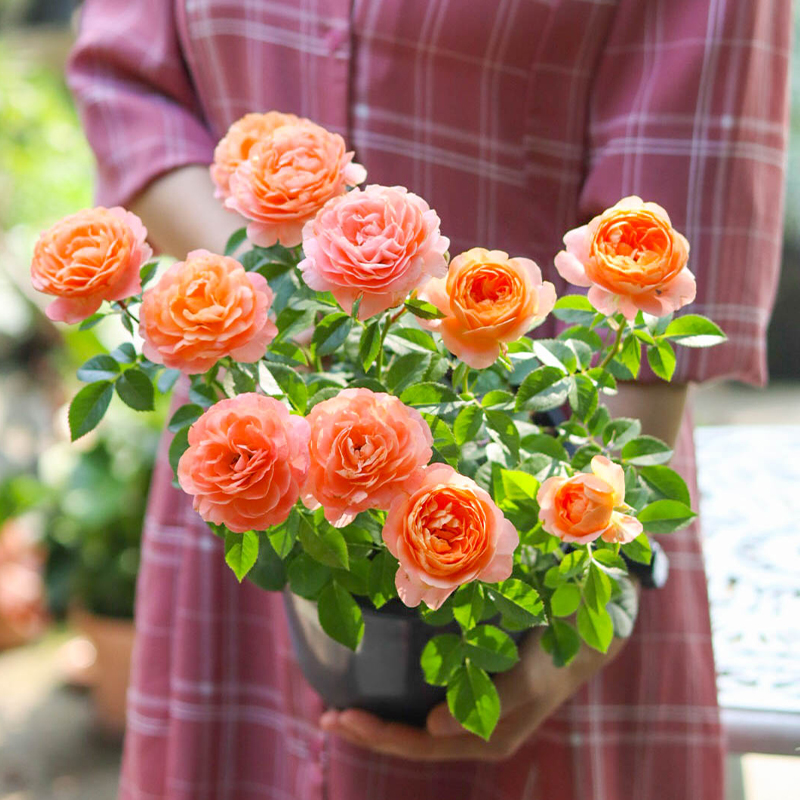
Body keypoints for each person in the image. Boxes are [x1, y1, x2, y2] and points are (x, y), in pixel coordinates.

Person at [66, 1, 790, 798]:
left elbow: (683, 170)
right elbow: (128, 84)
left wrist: (597, 575)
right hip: (249, 463)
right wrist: (264, 313)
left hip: (539, 490)